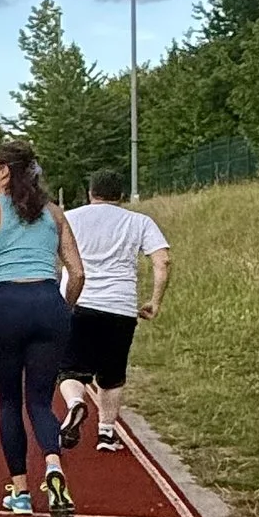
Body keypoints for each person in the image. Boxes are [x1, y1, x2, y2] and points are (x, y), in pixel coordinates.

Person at [0, 140, 84, 517]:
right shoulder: (54, 213)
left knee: (8, 401)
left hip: (7, 307)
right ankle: (54, 467)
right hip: (47, 301)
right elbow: (78, 272)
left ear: (5, 171)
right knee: (40, 401)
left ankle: (21, 491)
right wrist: (64, 308)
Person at [55, 170, 172, 453]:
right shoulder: (139, 221)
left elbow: (52, 257)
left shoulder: (69, 217)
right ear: (120, 195)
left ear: (90, 192)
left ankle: (76, 404)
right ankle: (106, 433)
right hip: (120, 307)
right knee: (112, 373)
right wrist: (155, 301)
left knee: (70, 369)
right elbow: (163, 261)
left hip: (78, 303)